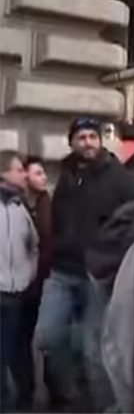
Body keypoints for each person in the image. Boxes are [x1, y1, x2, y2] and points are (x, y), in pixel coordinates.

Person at [39, 116, 134, 411]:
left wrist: (113, 260)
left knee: (94, 351)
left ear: (100, 140)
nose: (88, 142)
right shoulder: (67, 175)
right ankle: (70, 393)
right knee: (48, 337)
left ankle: (106, 406)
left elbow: (133, 221)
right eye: (81, 137)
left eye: (92, 137)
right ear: (72, 142)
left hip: (98, 275)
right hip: (62, 271)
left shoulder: (120, 178)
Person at [10, 156, 52, 410]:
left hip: (40, 280)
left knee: (39, 338)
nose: (43, 178)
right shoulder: (17, 206)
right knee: (20, 340)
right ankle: (25, 392)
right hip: (21, 283)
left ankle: (36, 391)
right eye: (37, 173)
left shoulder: (48, 204)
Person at [1, 151, 39, 411]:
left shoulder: (20, 206)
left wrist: (29, 275)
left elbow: (33, 245)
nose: (23, 174)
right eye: (18, 169)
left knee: (21, 349)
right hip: (1, 291)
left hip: (22, 291)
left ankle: (26, 400)